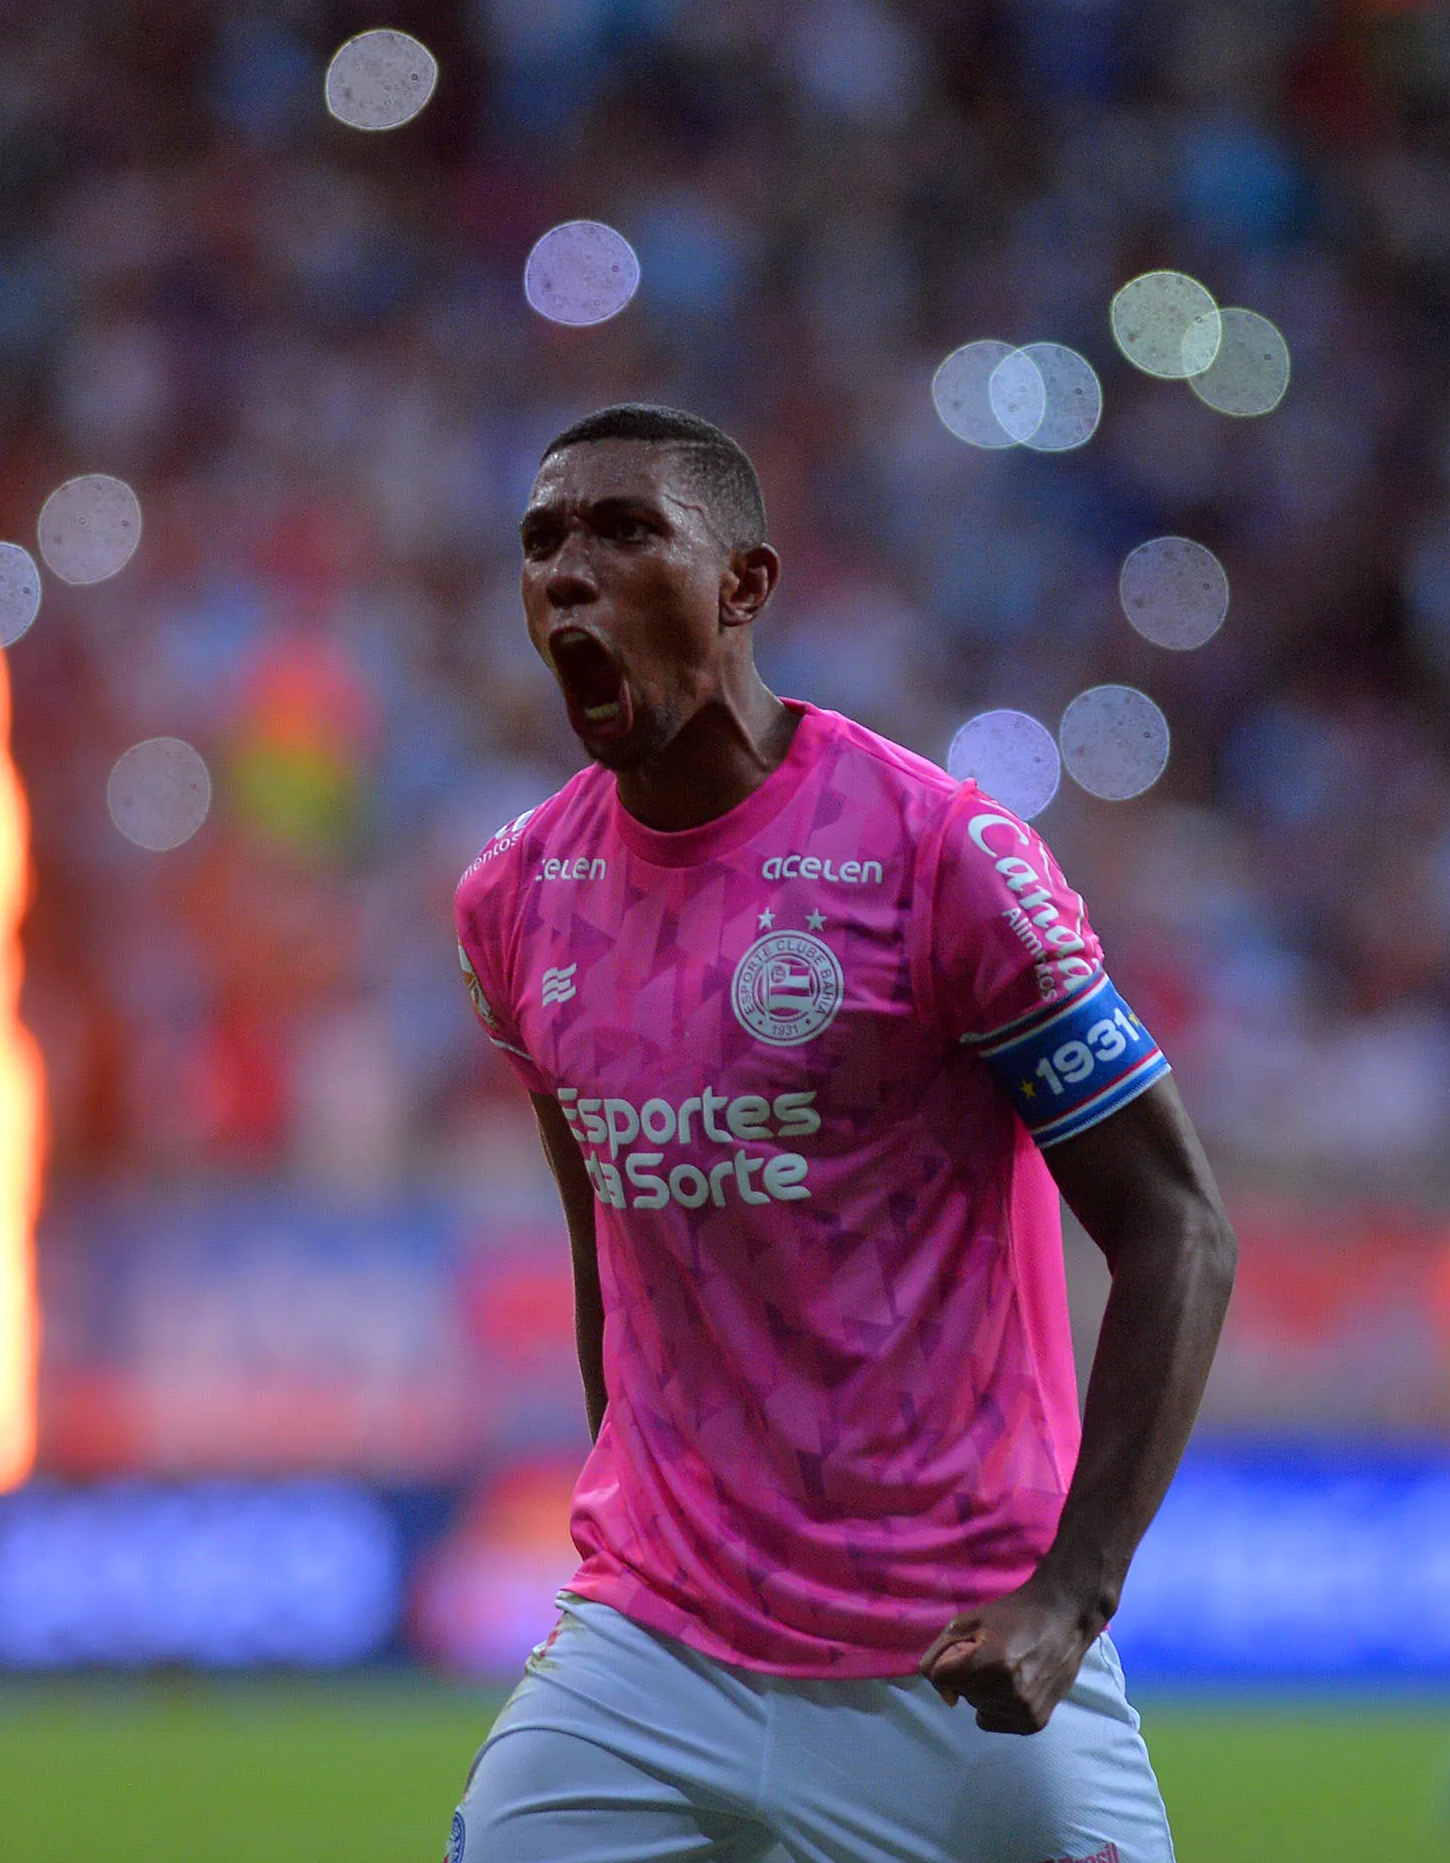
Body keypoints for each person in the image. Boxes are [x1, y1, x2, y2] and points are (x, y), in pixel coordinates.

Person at [446, 403, 1239, 1863]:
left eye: (626, 531)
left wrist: (1072, 1594)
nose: (569, 573)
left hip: (949, 1648)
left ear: (746, 584)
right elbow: (608, 1251)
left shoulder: (944, 859)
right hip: (656, 1643)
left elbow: (1178, 1225)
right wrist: (644, 1515)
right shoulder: (516, 900)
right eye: (543, 541)